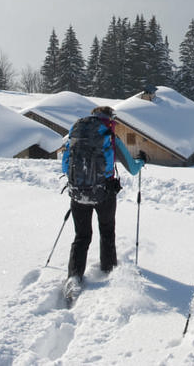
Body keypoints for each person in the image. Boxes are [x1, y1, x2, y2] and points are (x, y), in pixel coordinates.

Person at [62, 106, 145, 290]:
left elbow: (65, 166)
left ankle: (74, 277)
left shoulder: (76, 133)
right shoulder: (109, 135)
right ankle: (108, 270)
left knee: (81, 236)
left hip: (78, 192)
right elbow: (132, 168)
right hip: (104, 193)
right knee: (107, 230)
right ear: (110, 118)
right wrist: (142, 160)